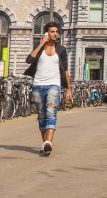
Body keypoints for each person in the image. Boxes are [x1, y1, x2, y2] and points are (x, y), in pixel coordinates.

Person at [23, 21, 72, 156]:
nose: (55, 34)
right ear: (46, 33)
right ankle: (45, 144)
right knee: (42, 116)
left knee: (51, 113)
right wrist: (41, 43)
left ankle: (49, 142)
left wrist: (68, 89)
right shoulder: (39, 49)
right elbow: (29, 60)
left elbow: (66, 71)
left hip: (53, 85)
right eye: (52, 31)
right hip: (38, 85)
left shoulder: (61, 50)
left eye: (56, 31)